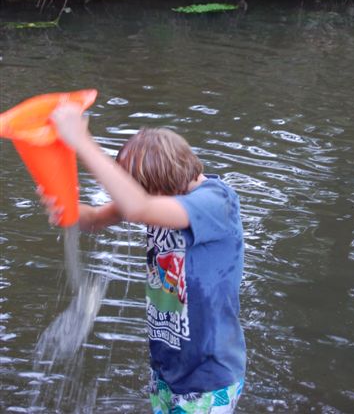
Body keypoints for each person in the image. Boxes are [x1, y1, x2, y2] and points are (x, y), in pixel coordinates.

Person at [47, 104, 246, 414]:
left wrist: (82, 142)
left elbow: (138, 207)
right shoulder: (160, 194)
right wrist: (62, 204)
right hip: (168, 364)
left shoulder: (217, 202)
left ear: (163, 184)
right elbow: (96, 219)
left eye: (144, 193)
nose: (132, 204)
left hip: (210, 374)